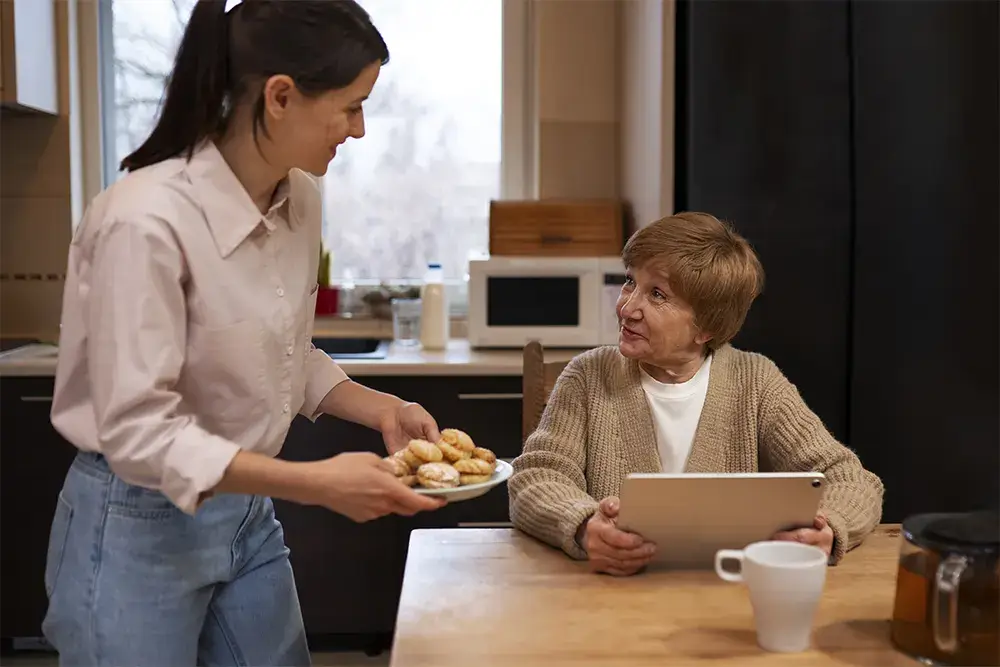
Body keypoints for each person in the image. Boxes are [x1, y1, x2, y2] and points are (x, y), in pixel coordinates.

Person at [42, 1, 443, 665]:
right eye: (350, 105)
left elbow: (281, 351)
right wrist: (318, 482)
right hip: (137, 520)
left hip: (245, 513)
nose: (361, 129)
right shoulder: (144, 221)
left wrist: (384, 409)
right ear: (281, 96)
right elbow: (142, 430)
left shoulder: (300, 198)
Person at [509, 212, 884, 577]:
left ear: (706, 326)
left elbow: (850, 479)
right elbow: (537, 476)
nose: (627, 307)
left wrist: (829, 528)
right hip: (609, 599)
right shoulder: (588, 376)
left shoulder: (754, 381)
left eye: (656, 294)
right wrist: (583, 525)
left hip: (724, 597)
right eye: (630, 282)